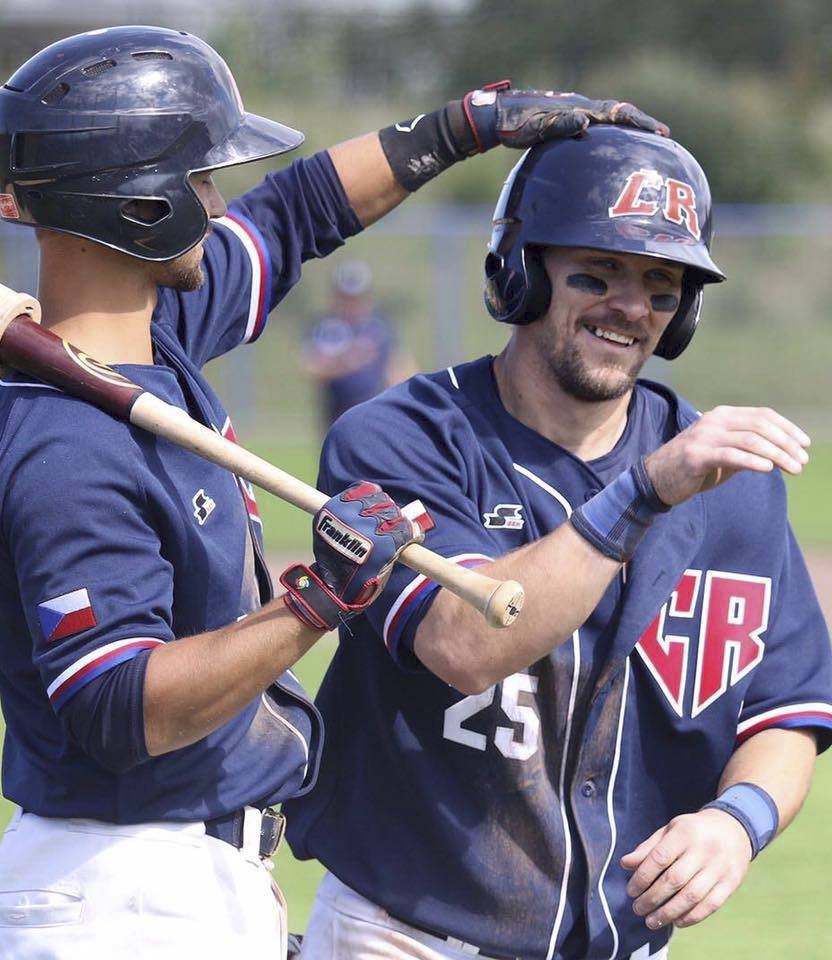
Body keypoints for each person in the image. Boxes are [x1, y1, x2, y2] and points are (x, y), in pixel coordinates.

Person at [0, 23, 667, 960]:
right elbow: (121, 710)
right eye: (199, 182)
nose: (218, 205)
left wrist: (460, 129)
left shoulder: (153, 332)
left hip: (185, 881)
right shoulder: (69, 449)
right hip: (123, 894)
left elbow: (297, 213)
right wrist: (317, 603)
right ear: (141, 206)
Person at [285, 125, 832, 960]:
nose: (631, 306)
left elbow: (787, 711)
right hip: (408, 937)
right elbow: (463, 643)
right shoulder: (401, 441)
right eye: (597, 272)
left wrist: (737, 821)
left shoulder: (733, 484)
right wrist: (646, 493)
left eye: (661, 283)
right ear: (520, 271)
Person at [303, 260, 414, 426]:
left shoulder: (379, 325)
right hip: (337, 411)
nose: (351, 304)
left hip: (375, 408)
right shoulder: (326, 327)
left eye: (356, 298)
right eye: (346, 297)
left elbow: (399, 365)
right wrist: (346, 362)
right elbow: (311, 367)